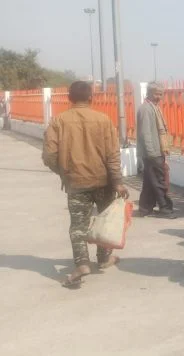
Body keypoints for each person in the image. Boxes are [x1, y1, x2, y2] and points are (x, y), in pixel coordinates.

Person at [41, 81, 129, 288]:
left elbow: (49, 155)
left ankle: (81, 264)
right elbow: (112, 155)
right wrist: (117, 182)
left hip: (76, 182)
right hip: (103, 181)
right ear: (91, 98)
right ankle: (104, 258)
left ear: (69, 98)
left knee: (78, 226)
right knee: (104, 221)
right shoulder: (104, 120)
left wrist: (64, 172)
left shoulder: (58, 122)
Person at [136, 82, 175, 219]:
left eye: (160, 94)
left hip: (156, 151)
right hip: (152, 152)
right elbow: (145, 133)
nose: (159, 97)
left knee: (149, 181)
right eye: (156, 94)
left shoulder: (154, 108)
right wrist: (152, 152)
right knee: (159, 180)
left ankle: (144, 208)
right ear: (150, 93)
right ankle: (165, 208)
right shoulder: (146, 109)